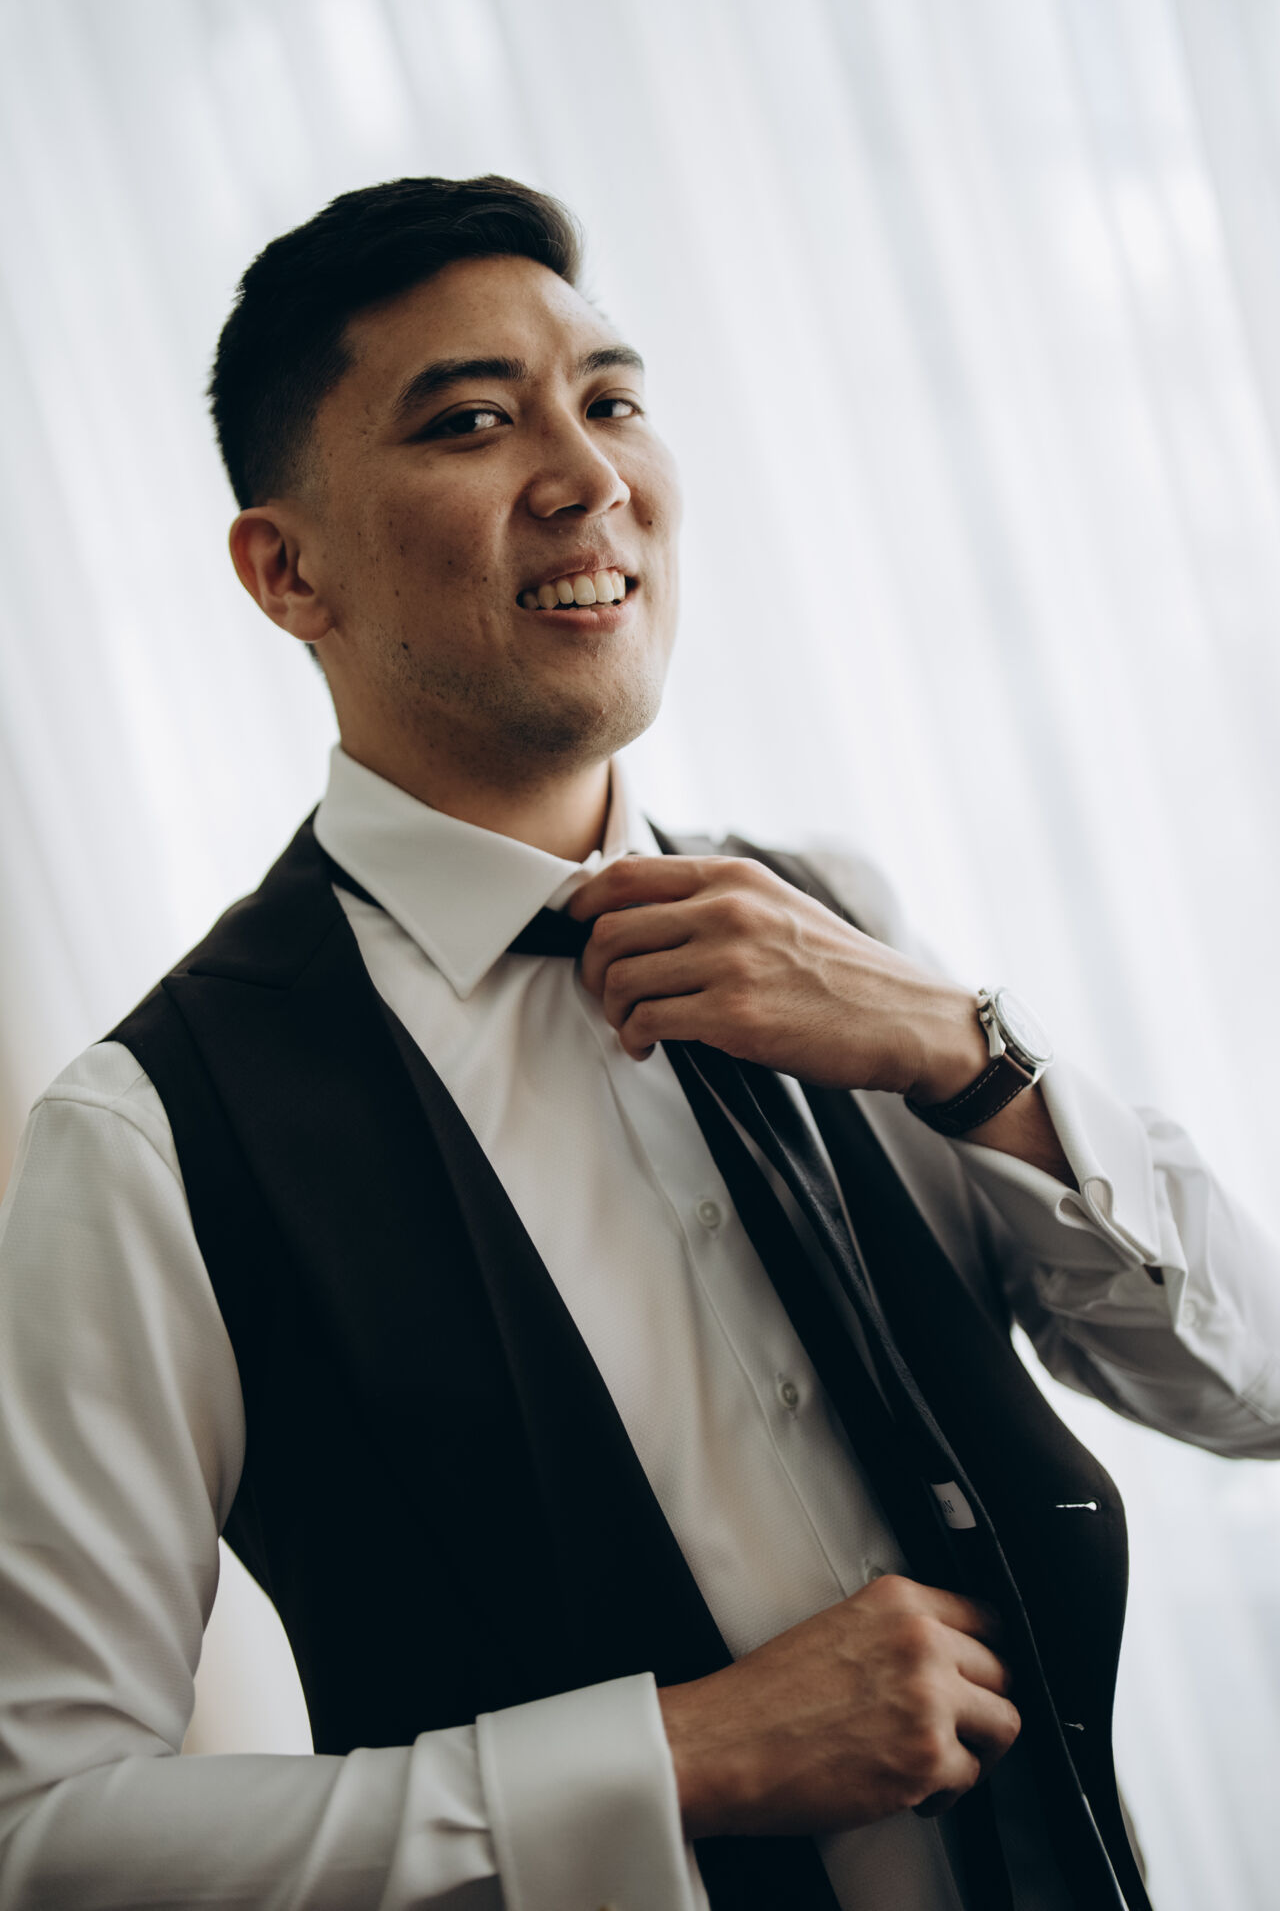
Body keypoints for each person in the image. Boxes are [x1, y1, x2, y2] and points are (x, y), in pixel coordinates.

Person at [0, 175, 1276, 1911]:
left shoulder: (839, 920)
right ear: (287, 570)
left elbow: (1251, 1389)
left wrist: (964, 1050)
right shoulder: (152, 1135)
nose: (590, 477)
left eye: (610, 401)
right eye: (471, 421)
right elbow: (48, 1834)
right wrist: (674, 1762)